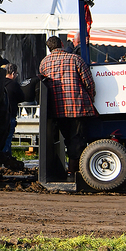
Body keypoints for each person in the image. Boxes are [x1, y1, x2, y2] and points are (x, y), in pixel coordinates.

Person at [39, 36, 96, 181]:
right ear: (62, 44)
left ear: (49, 48)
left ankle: (70, 170)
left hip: (57, 108)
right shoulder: (76, 59)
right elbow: (88, 82)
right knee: (77, 140)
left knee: (67, 139)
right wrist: (91, 98)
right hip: (77, 107)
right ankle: (73, 172)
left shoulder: (44, 63)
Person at [2, 63, 25, 157]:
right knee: (8, 138)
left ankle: (3, 159)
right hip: (10, 114)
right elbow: (22, 97)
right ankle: (4, 157)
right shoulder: (14, 84)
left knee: (1, 138)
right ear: (13, 73)